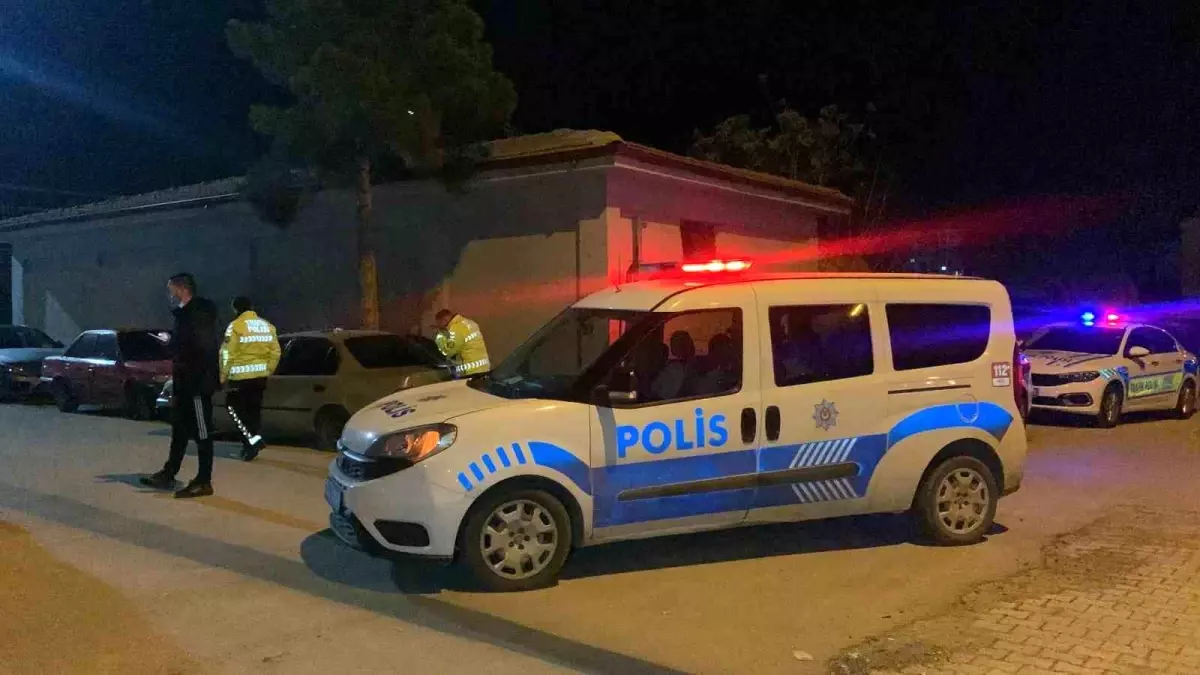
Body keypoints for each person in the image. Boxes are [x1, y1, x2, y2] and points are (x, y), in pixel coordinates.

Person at [140, 273, 220, 498]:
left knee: (202, 431)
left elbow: (201, 349)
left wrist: (173, 344)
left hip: (197, 385)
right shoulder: (187, 315)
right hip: (186, 383)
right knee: (180, 429)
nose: (169, 295)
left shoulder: (198, 315)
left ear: (182, 289)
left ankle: (204, 481)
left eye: (171, 290)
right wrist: (172, 343)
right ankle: (169, 472)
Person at [220, 296, 281, 461]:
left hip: (239, 378)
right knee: (253, 412)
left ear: (235, 309)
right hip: (260, 378)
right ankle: (250, 445)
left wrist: (223, 375)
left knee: (233, 409)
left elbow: (227, 353)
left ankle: (252, 441)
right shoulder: (267, 326)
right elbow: (275, 352)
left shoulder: (235, 326)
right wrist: (268, 369)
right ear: (251, 307)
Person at [433, 309, 491, 377]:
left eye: (439, 324)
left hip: (471, 371)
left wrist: (439, 336)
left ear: (444, 320)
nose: (440, 327)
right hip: (483, 367)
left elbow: (449, 351)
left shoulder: (456, 328)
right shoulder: (470, 323)